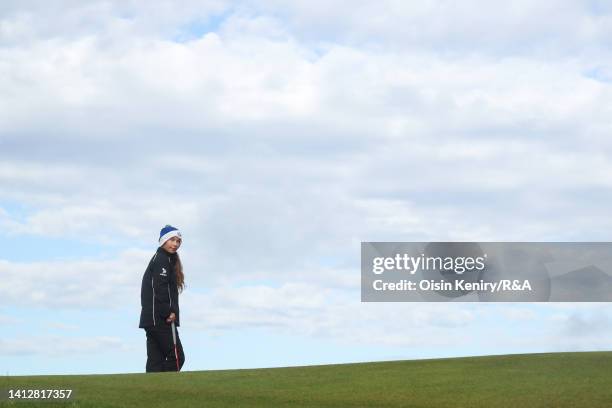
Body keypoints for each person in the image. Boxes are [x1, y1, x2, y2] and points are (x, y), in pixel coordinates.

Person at [139, 225, 186, 372]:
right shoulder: (161, 259)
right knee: (177, 357)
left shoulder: (165, 260)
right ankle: (164, 388)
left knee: (155, 362)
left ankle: (153, 392)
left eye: (178, 241)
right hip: (160, 319)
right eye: (172, 240)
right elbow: (160, 288)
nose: (175, 244)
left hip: (151, 320)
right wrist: (169, 312)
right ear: (163, 241)